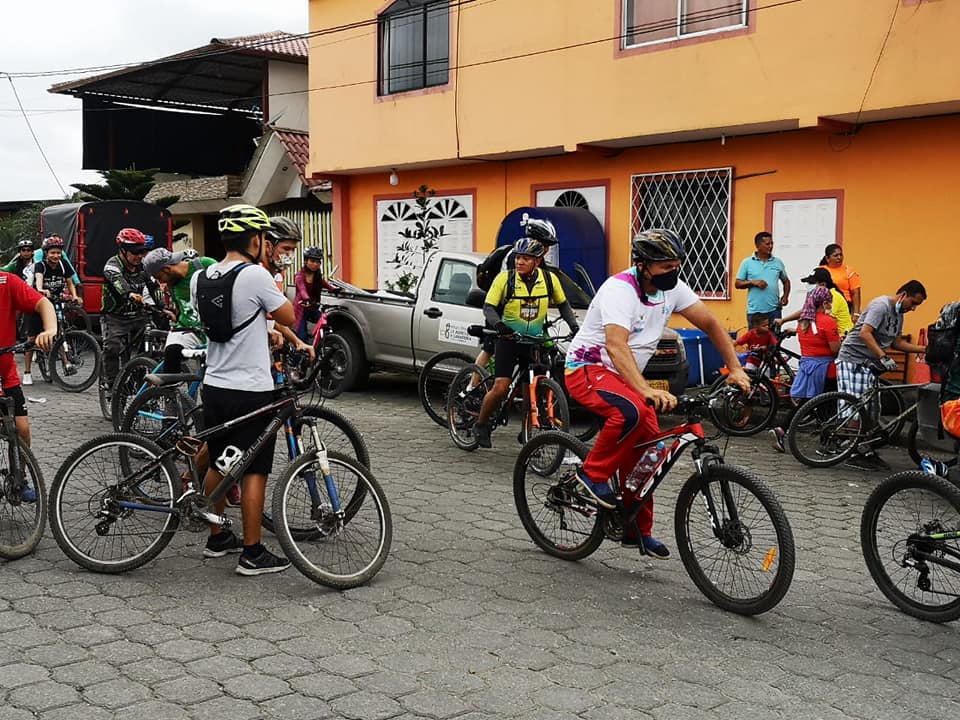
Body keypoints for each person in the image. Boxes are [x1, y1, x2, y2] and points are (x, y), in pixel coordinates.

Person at [564, 229, 751, 559]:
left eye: (676, 265)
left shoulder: (673, 289)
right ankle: (591, 476)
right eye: (666, 266)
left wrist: (735, 368)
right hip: (587, 367)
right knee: (631, 412)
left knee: (651, 452)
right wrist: (645, 390)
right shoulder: (620, 290)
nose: (673, 271)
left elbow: (710, 324)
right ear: (643, 265)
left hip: (623, 375)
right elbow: (615, 345)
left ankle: (635, 529)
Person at [191, 204, 295, 576]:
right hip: (250, 389)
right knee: (253, 470)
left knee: (220, 461)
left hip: (214, 384)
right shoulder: (255, 276)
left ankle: (217, 536)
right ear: (256, 240)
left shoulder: (200, 277)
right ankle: (253, 552)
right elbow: (289, 316)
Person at [473, 236, 579, 449]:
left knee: (534, 389)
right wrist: (499, 325)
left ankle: (528, 433)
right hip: (509, 340)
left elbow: (563, 304)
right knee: (501, 387)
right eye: (518, 257)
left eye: (526, 258)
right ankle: (481, 424)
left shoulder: (549, 279)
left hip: (534, 341)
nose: (520, 262)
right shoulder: (505, 279)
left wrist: (574, 326)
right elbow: (489, 307)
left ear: (537, 261)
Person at [835, 280, 928, 470]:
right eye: (913, 303)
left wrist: (924, 349)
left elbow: (896, 343)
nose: (913, 308)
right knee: (857, 407)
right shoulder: (881, 306)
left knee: (872, 410)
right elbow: (865, 333)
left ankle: (862, 447)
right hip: (853, 359)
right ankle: (855, 453)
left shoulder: (898, 315)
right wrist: (883, 356)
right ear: (903, 295)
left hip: (870, 364)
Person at [0, 267, 56, 502]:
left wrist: (50, 329)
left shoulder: (6, 282)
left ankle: (19, 478)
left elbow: (43, 303)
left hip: (5, 373)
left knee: (22, 429)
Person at [769, 286, 840, 452]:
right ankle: (827, 443)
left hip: (807, 367)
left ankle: (781, 429)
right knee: (828, 405)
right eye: (829, 302)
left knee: (806, 401)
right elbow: (835, 349)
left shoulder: (803, 322)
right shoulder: (828, 322)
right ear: (824, 303)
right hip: (826, 369)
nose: (830, 305)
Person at [100, 228, 162, 393]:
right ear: (123, 250)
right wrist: (130, 294)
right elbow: (118, 282)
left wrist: (163, 307)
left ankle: (139, 379)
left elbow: (154, 287)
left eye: (142, 251)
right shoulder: (112, 266)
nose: (139, 256)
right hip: (114, 316)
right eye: (135, 252)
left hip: (138, 315)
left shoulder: (144, 267)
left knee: (150, 343)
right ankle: (112, 386)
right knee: (112, 347)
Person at [142, 247, 215, 374]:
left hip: (214, 328)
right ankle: (169, 385)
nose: (161, 282)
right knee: (172, 353)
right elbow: (179, 308)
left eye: (159, 277)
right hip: (189, 330)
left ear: (167, 269)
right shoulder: (172, 284)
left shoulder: (204, 265)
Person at [22, 236, 81, 385]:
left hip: (54, 302)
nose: (56, 256)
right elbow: (39, 280)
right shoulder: (40, 266)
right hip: (37, 303)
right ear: (46, 253)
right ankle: (27, 372)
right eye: (52, 253)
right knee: (31, 339)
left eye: (58, 253)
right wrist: (41, 289)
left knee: (58, 333)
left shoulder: (63, 265)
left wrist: (74, 296)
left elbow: (70, 282)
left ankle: (66, 363)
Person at [735, 231, 790, 327]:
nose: (771, 246)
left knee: (774, 336)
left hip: (774, 311)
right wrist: (753, 283)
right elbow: (738, 283)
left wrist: (785, 296)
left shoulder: (777, 262)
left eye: (772, 243)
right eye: (767, 244)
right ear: (758, 246)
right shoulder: (747, 263)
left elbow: (786, 281)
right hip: (755, 313)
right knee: (755, 337)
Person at [777, 267, 853, 336]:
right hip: (829, 334)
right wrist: (783, 320)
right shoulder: (818, 297)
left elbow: (823, 322)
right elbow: (806, 311)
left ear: (823, 284)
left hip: (843, 337)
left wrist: (798, 330)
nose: (808, 285)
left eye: (811, 283)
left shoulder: (833, 297)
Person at [294, 246, 338, 341]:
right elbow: (302, 289)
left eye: (318, 262)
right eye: (312, 261)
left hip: (312, 307)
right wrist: (307, 299)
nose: (315, 264)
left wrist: (334, 290)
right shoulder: (299, 276)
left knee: (325, 322)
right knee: (302, 336)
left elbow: (325, 284)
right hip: (301, 308)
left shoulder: (317, 276)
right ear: (306, 261)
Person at [820, 244, 862, 319]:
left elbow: (856, 292)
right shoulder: (821, 270)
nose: (839, 257)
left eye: (841, 255)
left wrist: (856, 313)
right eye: (835, 255)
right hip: (826, 307)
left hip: (845, 306)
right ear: (827, 258)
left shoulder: (848, 270)